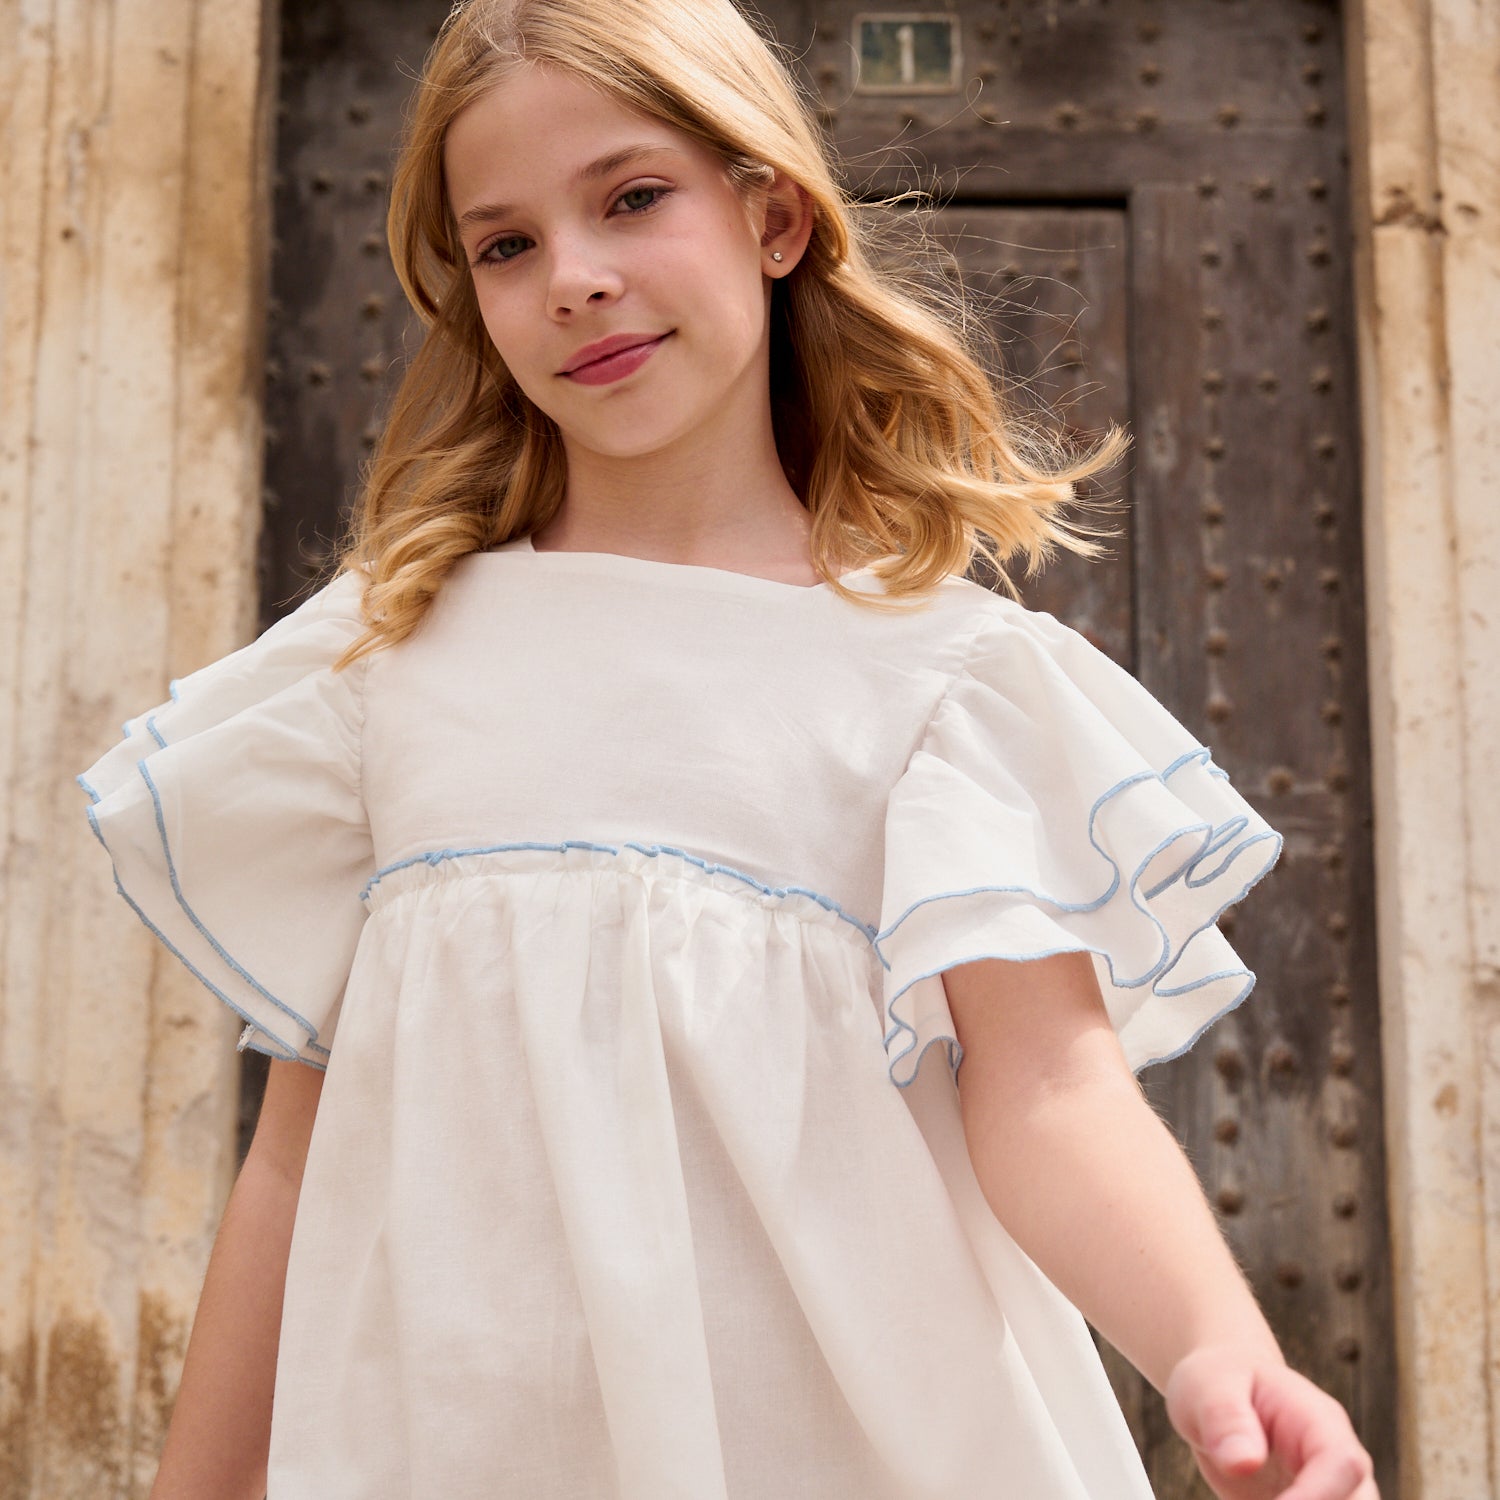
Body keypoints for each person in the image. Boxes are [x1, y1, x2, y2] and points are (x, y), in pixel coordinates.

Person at [76, 1, 1379, 1496]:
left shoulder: (943, 681)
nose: (574, 277)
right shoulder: (387, 662)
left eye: (634, 198)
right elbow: (296, 1161)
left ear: (772, 217)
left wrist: (1215, 1346)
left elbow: (1050, 1090)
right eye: (505, 244)